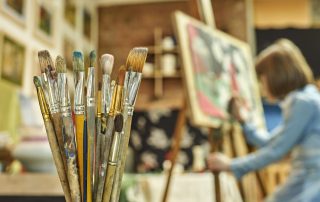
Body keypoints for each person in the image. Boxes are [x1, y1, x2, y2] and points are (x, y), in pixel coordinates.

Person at [207, 38, 320, 202]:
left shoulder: (304, 103)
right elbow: (271, 142)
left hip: (312, 183)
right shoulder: (303, 99)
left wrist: (231, 165)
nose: (261, 86)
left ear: (275, 77)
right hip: (306, 179)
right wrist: (245, 121)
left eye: (262, 79)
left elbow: (276, 150)